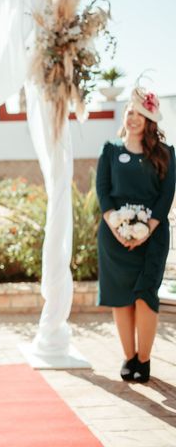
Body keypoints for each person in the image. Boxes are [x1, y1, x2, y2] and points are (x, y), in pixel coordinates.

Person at [96, 87, 175, 383]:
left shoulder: (166, 154)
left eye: (140, 114)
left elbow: (166, 196)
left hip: (152, 238)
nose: (133, 118)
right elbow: (103, 192)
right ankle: (129, 357)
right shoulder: (110, 150)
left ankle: (145, 359)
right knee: (121, 298)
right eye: (130, 111)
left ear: (149, 120)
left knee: (145, 296)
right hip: (114, 238)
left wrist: (145, 231)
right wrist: (117, 227)